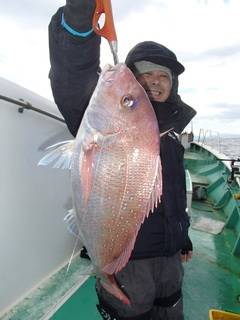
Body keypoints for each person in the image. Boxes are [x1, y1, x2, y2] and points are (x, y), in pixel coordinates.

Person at [49, 1, 196, 319]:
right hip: (128, 259)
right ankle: (106, 275)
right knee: (129, 311)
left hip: (170, 257)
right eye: (145, 74)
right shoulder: (96, 117)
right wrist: (78, 25)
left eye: (163, 76)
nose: (155, 81)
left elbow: (171, 193)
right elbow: (72, 76)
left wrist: (182, 237)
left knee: (171, 306)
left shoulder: (172, 133)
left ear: (173, 85)